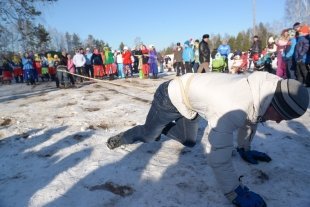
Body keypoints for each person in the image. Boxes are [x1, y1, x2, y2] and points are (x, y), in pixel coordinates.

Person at [106, 72, 309, 207]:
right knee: (150, 135)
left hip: (190, 103)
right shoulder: (232, 106)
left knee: (189, 141)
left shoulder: (268, 90)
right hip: (170, 97)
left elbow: (254, 116)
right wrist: (234, 192)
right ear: (275, 105)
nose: (281, 121)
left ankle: (168, 127)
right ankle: (124, 137)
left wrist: (244, 148)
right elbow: (217, 157)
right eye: (282, 115)